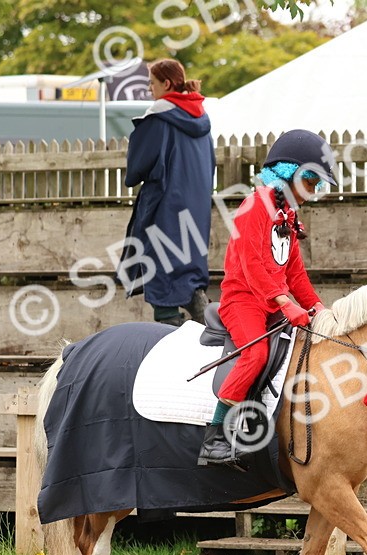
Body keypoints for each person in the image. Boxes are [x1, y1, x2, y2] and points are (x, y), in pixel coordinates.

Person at [198, 129, 336, 469]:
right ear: (288, 172)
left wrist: (317, 306)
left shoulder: (288, 215)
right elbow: (252, 264)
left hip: (272, 302)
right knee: (256, 353)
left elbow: (295, 274)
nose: (314, 189)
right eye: (310, 178)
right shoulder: (253, 206)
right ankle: (215, 437)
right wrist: (285, 302)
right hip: (242, 300)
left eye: (318, 183)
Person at [122, 59, 215, 325]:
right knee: (188, 274)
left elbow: (136, 168)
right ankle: (210, 330)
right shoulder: (203, 122)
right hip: (196, 213)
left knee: (161, 273)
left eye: (152, 83)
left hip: (165, 210)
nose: (149, 89)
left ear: (166, 83)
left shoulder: (158, 119)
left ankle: (169, 341)